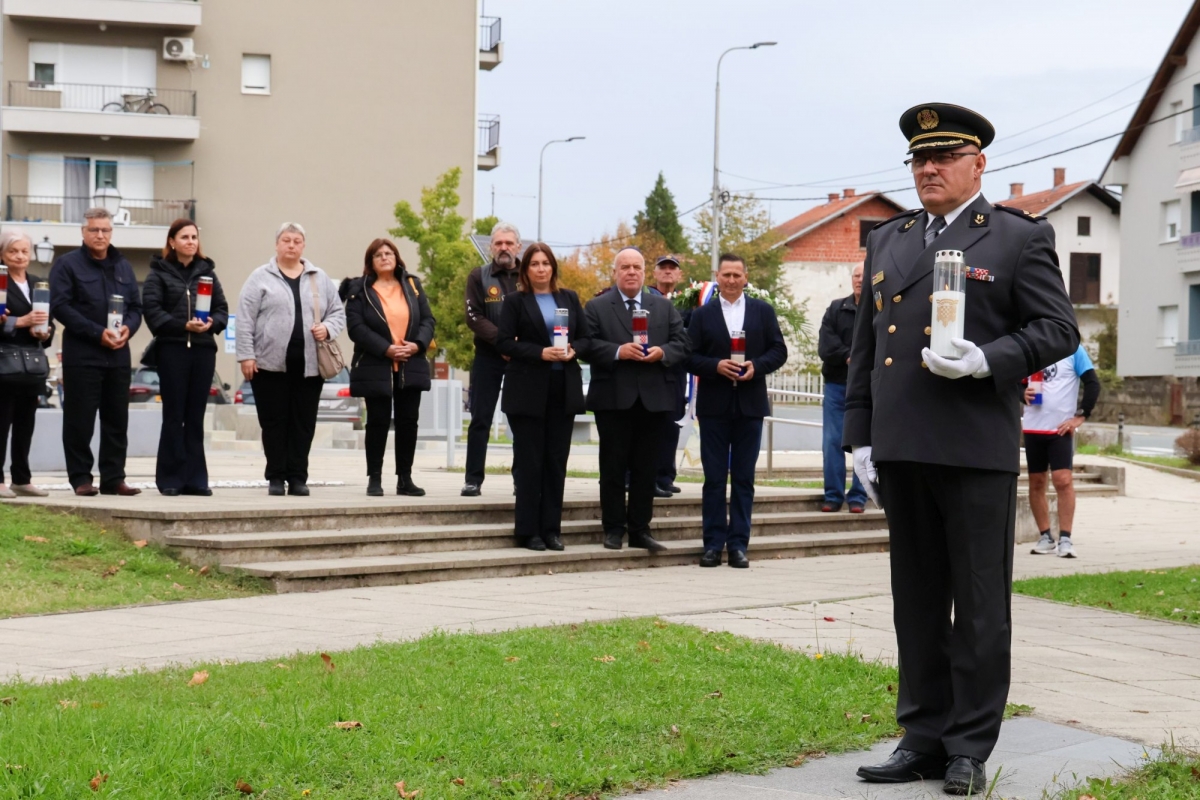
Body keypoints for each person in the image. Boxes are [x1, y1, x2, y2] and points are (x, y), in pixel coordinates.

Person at [844, 104, 1078, 794]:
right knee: (916, 601)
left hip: (973, 446)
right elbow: (866, 347)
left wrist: (987, 359)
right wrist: (859, 436)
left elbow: (1057, 328)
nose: (928, 169)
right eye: (919, 159)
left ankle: (968, 746)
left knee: (979, 605)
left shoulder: (1015, 237)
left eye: (943, 157)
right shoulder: (888, 239)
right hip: (902, 444)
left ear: (978, 164)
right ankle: (921, 736)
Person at [578, 247, 690, 552]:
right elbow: (586, 344)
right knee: (613, 467)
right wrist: (617, 351)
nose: (631, 272)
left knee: (646, 468)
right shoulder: (597, 306)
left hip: (654, 400)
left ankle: (640, 529)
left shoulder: (663, 306)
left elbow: (683, 343)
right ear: (615, 272)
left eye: (636, 267)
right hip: (613, 398)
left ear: (644, 272)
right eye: (625, 267)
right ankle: (613, 529)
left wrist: (662, 352)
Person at [687, 254, 788, 568]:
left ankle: (739, 545)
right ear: (717, 276)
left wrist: (756, 366)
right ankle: (712, 545)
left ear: (746, 277)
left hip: (750, 406)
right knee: (714, 479)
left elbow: (779, 350)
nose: (731, 280)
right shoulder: (702, 315)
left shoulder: (762, 311)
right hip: (714, 407)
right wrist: (715, 365)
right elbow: (687, 356)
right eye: (726, 274)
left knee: (744, 478)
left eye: (736, 275)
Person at [236, 222, 345, 497]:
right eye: (286, 240)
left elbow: (338, 313)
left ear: (303, 246)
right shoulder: (260, 277)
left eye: (297, 241)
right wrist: (246, 355)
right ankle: (275, 476)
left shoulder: (319, 277)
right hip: (268, 366)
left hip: (310, 367)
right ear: (277, 244)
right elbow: (245, 319)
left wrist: (327, 328)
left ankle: (298, 477)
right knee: (273, 423)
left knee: (303, 423)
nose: (292, 245)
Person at [497, 243, 590, 551]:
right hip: (527, 391)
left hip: (563, 389)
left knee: (555, 461)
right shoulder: (515, 301)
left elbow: (587, 338)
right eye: (534, 264)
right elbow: (504, 342)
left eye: (545, 263)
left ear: (553, 267)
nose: (540, 269)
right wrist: (540, 352)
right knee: (530, 462)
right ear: (525, 270)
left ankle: (552, 530)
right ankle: (528, 531)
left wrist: (574, 350)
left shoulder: (569, 298)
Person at [49, 208, 144, 497]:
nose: (100, 235)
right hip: (83, 356)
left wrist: (128, 328)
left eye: (105, 230)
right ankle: (81, 478)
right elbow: (61, 307)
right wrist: (97, 333)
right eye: (94, 230)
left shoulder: (123, 266)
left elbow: (136, 308)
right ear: (83, 232)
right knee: (80, 421)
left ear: (111, 232)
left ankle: (114, 478)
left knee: (117, 421)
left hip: (118, 356)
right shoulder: (67, 265)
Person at [142, 219, 228, 497]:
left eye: (194, 237)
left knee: (195, 416)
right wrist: (182, 325)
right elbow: (152, 310)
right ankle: (170, 478)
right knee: (174, 415)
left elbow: (222, 310)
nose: (191, 242)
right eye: (185, 237)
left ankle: (196, 479)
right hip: (173, 350)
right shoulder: (158, 273)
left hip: (203, 351)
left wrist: (212, 323)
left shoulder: (208, 273)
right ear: (172, 242)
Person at [344, 239, 435, 497]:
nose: (384, 257)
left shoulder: (412, 285)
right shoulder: (359, 289)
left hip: (410, 362)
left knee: (408, 421)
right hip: (376, 363)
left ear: (396, 258)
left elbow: (428, 320)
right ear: (371, 262)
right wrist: (386, 348)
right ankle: (374, 478)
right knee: (377, 421)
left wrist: (417, 345)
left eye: (389, 253)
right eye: (378, 255)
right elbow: (356, 327)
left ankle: (405, 478)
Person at [1023, 345, 1100, 559]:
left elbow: (1093, 383)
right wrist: (1021, 393)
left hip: (1060, 429)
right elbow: (1013, 382)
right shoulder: (1030, 348)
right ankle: (1045, 537)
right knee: (1036, 482)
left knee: (1063, 480)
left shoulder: (1073, 349)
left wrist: (1081, 416)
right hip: (1032, 427)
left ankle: (1065, 538)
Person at [462, 221, 522, 497]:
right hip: (488, 356)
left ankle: (522, 480)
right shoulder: (479, 276)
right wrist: (503, 342)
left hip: (522, 358)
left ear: (518, 247)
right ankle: (473, 479)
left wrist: (519, 346)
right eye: (499, 243)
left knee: (521, 420)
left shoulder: (529, 275)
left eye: (509, 243)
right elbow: (473, 316)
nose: (504, 248)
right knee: (480, 419)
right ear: (491, 247)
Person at [0, 229, 54, 498]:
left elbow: (49, 321)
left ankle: (22, 478)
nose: (19, 256)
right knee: (1, 422)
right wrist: (19, 322)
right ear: (2, 254)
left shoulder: (37, 283)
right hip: (4, 362)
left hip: (31, 363)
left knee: (25, 422)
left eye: (24, 251)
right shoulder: (1, 282)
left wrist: (45, 332)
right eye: (13, 251)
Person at [817, 264, 869, 513]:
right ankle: (833, 496)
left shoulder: (878, 309)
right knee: (832, 442)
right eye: (856, 275)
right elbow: (826, 346)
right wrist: (851, 357)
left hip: (867, 387)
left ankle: (858, 496)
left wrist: (858, 360)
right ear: (851, 280)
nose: (859, 279)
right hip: (837, 386)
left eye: (864, 276)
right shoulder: (836, 309)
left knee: (863, 442)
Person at [646, 254, 688, 497]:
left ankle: (665, 476)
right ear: (655, 273)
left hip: (676, 372)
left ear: (679, 274)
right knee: (652, 427)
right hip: (651, 370)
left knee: (672, 426)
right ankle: (647, 476)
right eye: (663, 268)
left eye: (673, 268)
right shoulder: (647, 297)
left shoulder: (688, 301)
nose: (668, 271)